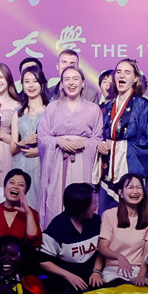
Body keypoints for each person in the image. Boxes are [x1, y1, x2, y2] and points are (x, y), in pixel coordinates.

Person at [36, 65, 102, 224]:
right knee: (56, 197)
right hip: (57, 160)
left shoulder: (93, 109)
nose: (71, 83)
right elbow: (43, 136)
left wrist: (84, 143)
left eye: (75, 79)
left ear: (83, 83)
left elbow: (98, 138)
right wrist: (57, 141)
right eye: (67, 79)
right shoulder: (52, 108)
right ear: (61, 84)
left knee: (82, 199)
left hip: (82, 160)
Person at [97, 59, 148, 201]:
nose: (122, 75)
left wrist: (116, 146)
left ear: (135, 78)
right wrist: (101, 144)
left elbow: (147, 142)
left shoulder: (142, 104)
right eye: (118, 72)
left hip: (129, 169)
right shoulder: (108, 106)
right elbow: (102, 135)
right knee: (107, 212)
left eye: (127, 72)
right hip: (108, 169)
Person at [0, 168, 41, 247]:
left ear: (26, 192)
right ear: (4, 188)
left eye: (21, 185)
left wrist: (28, 214)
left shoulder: (32, 213)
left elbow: (34, 242)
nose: (15, 187)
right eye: (12, 183)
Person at [11, 64, 47, 197]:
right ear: (22, 86)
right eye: (27, 82)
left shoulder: (50, 110)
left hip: (44, 164)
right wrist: (24, 141)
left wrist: (39, 151)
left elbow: (57, 142)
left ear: (42, 85)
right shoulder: (18, 113)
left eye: (35, 81)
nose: (31, 85)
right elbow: (12, 149)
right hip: (23, 164)